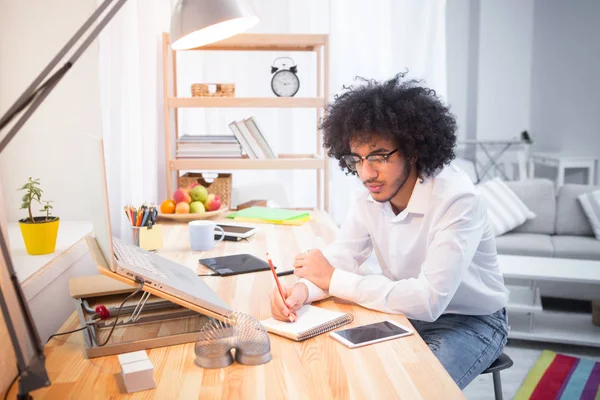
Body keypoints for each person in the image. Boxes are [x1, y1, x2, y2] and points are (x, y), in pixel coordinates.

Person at [269, 74, 510, 389]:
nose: (367, 173)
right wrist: (301, 291)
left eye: (380, 157)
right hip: (402, 311)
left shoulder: (458, 199)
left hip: (470, 322)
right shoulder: (368, 194)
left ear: (412, 150)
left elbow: (428, 300)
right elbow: (344, 256)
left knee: (409, 388)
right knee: (337, 370)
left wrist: (330, 278)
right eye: (357, 159)